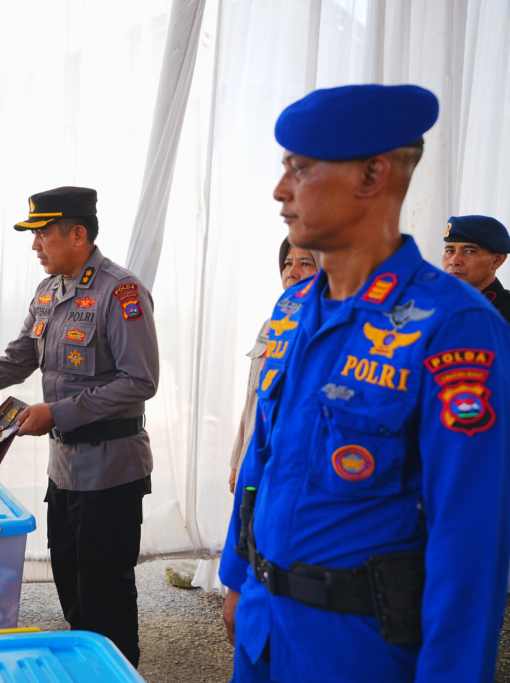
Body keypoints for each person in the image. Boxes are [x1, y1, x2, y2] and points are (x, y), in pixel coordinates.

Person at [219, 84, 510, 683]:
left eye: (300, 169)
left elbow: (470, 537)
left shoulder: (454, 324)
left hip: (359, 650)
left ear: (373, 176)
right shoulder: (294, 307)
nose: (280, 190)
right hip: (264, 628)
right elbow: (262, 459)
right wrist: (237, 578)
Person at [0, 187, 159, 667]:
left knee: (106, 599)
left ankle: (117, 674)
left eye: (43, 234)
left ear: (78, 235)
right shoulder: (48, 291)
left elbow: (140, 381)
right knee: (73, 594)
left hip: (111, 473)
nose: (35, 245)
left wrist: (58, 413)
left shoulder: (120, 292)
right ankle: (87, 673)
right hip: (65, 473)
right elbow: (19, 359)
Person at [228, 239, 319, 493]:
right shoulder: (270, 325)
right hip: (252, 462)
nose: (292, 272)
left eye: (305, 263)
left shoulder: (327, 329)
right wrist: (237, 460)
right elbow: (252, 401)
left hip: (291, 471)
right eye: (287, 264)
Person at [442, 215, 510, 322]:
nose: (454, 261)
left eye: (469, 251)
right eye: (450, 251)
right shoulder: (431, 305)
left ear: (497, 260)